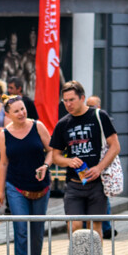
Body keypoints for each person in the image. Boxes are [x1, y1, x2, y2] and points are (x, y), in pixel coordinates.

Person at [49, 80, 120, 238]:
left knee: (95, 230)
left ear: (82, 98)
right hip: (74, 185)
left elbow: (115, 146)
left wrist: (99, 168)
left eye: (71, 100)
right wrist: (69, 161)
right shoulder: (63, 124)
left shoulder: (99, 116)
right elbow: (56, 156)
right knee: (76, 227)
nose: (68, 104)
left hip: (97, 183)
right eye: (65, 101)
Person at [0, 94, 52, 255]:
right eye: (16, 111)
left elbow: (52, 150)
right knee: (21, 229)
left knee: (37, 231)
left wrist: (46, 165)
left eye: (22, 109)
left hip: (40, 187)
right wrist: (0, 191)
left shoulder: (38, 126)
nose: (21, 113)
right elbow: (4, 162)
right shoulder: (4, 134)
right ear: (8, 114)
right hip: (16, 186)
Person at [86, 96, 116, 239]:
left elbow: (113, 145)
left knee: (104, 199)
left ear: (99, 107)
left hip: (102, 168)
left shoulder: (103, 120)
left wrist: (102, 166)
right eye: (88, 106)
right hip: (85, 170)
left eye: (92, 106)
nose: (90, 109)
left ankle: (106, 227)